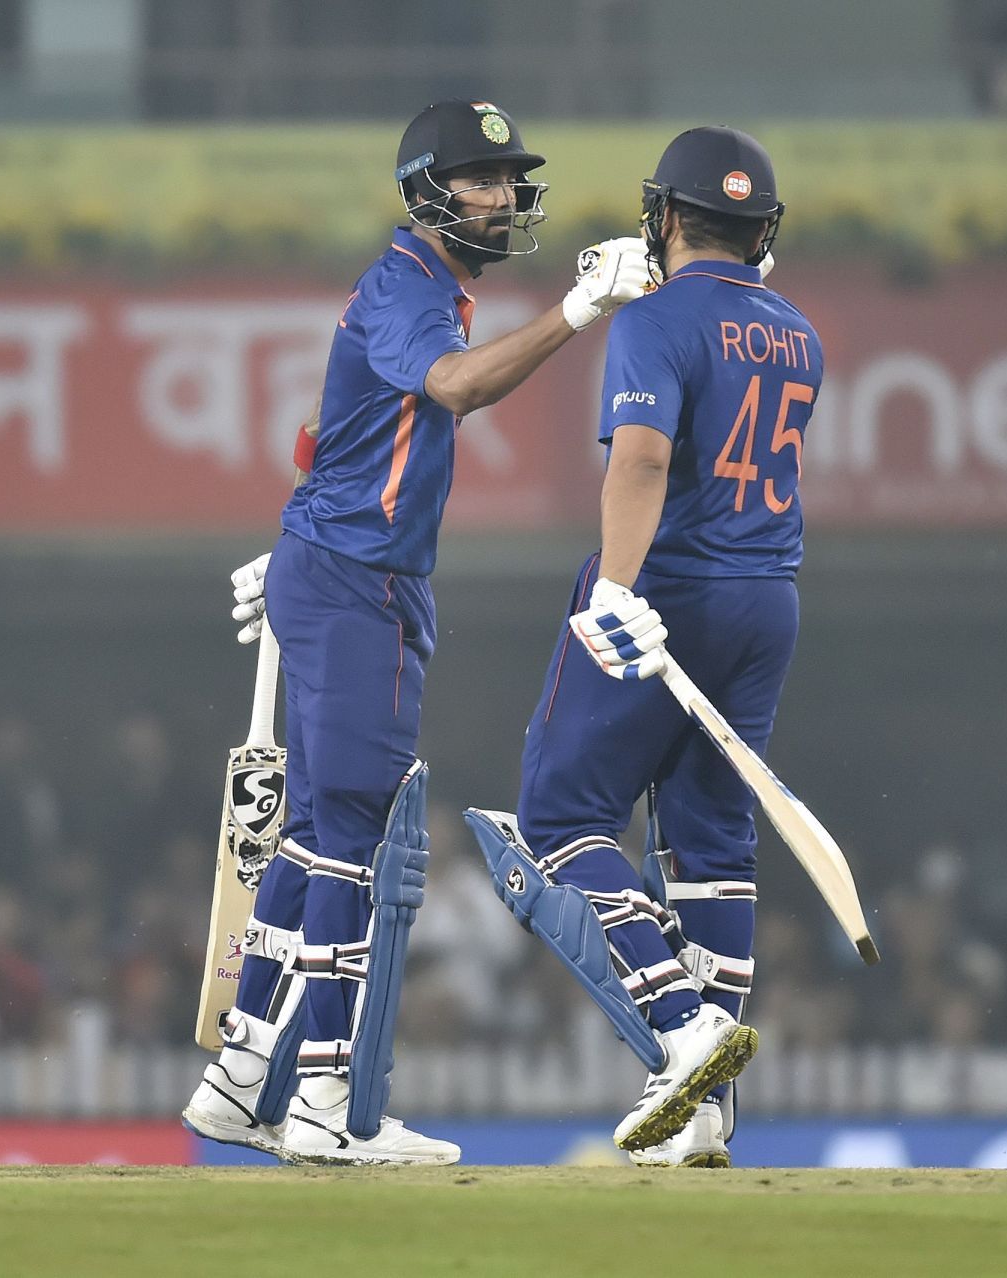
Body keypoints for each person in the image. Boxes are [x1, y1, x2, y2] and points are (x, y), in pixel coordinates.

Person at [181, 98, 657, 1166]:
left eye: (506, 177)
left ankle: (240, 1076)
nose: (500, 195)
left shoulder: (424, 290)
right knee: (349, 833)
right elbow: (456, 388)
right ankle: (321, 1106)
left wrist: (294, 542)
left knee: (312, 834)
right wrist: (581, 310)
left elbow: (337, 431)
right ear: (426, 194)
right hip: (360, 586)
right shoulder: (409, 283)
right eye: (480, 178)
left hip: (341, 571)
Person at [465, 126, 822, 1167]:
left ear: (664, 218)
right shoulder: (799, 329)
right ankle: (707, 1116)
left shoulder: (653, 319)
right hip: (769, 600)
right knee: (712, 841)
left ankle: (681, 1025)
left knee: (560, 815)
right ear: (761, 229)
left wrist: (617, 588)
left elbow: (645, 462)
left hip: (670, 585)